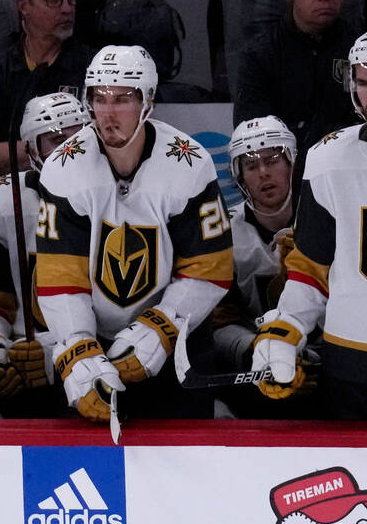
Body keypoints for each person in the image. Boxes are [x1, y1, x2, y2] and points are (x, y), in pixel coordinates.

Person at [35, 44, 233, 425]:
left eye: (123, 99)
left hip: (179, 347)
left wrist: (161, 328)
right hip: (99, 343)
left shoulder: (189, 163)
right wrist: (77, 351)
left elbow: (210, 267)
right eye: (99, 98)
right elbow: (60, 279)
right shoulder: (63, 168)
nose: (108, 113)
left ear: (149, 102)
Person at [251, 27, 367, 421]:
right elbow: (311, 267)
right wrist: (286, 330)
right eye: (363, 82)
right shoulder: (327, 158)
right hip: (349, 371)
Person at [0, 91, 88, 418]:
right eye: (56, 140)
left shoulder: (123, 199)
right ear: (30, 149)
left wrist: (59, 354)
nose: (69, 151)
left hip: (92, 364)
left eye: (79, 138)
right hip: (22, 363)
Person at [210, 114, 321, 416]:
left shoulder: (325, 218)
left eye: (272, 160)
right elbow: (219, 323)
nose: (263, 173)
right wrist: (254, 351)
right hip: (254, 375)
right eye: (251, 165)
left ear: (292, 164)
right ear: (239, 176)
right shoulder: (224, 233)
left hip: (327, 366)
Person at [0, 0, 93, 182]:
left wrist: (27, 150)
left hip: (80, 193)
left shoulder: (93, 66)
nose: (67, 9)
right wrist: (44, 145)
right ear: (23, 6)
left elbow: (101, 149)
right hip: (14, 195)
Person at [232, 0, 358, 181]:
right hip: (283, 178)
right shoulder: (260, 54)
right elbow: (253, 133)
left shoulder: (361, 51)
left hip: (347, 171)